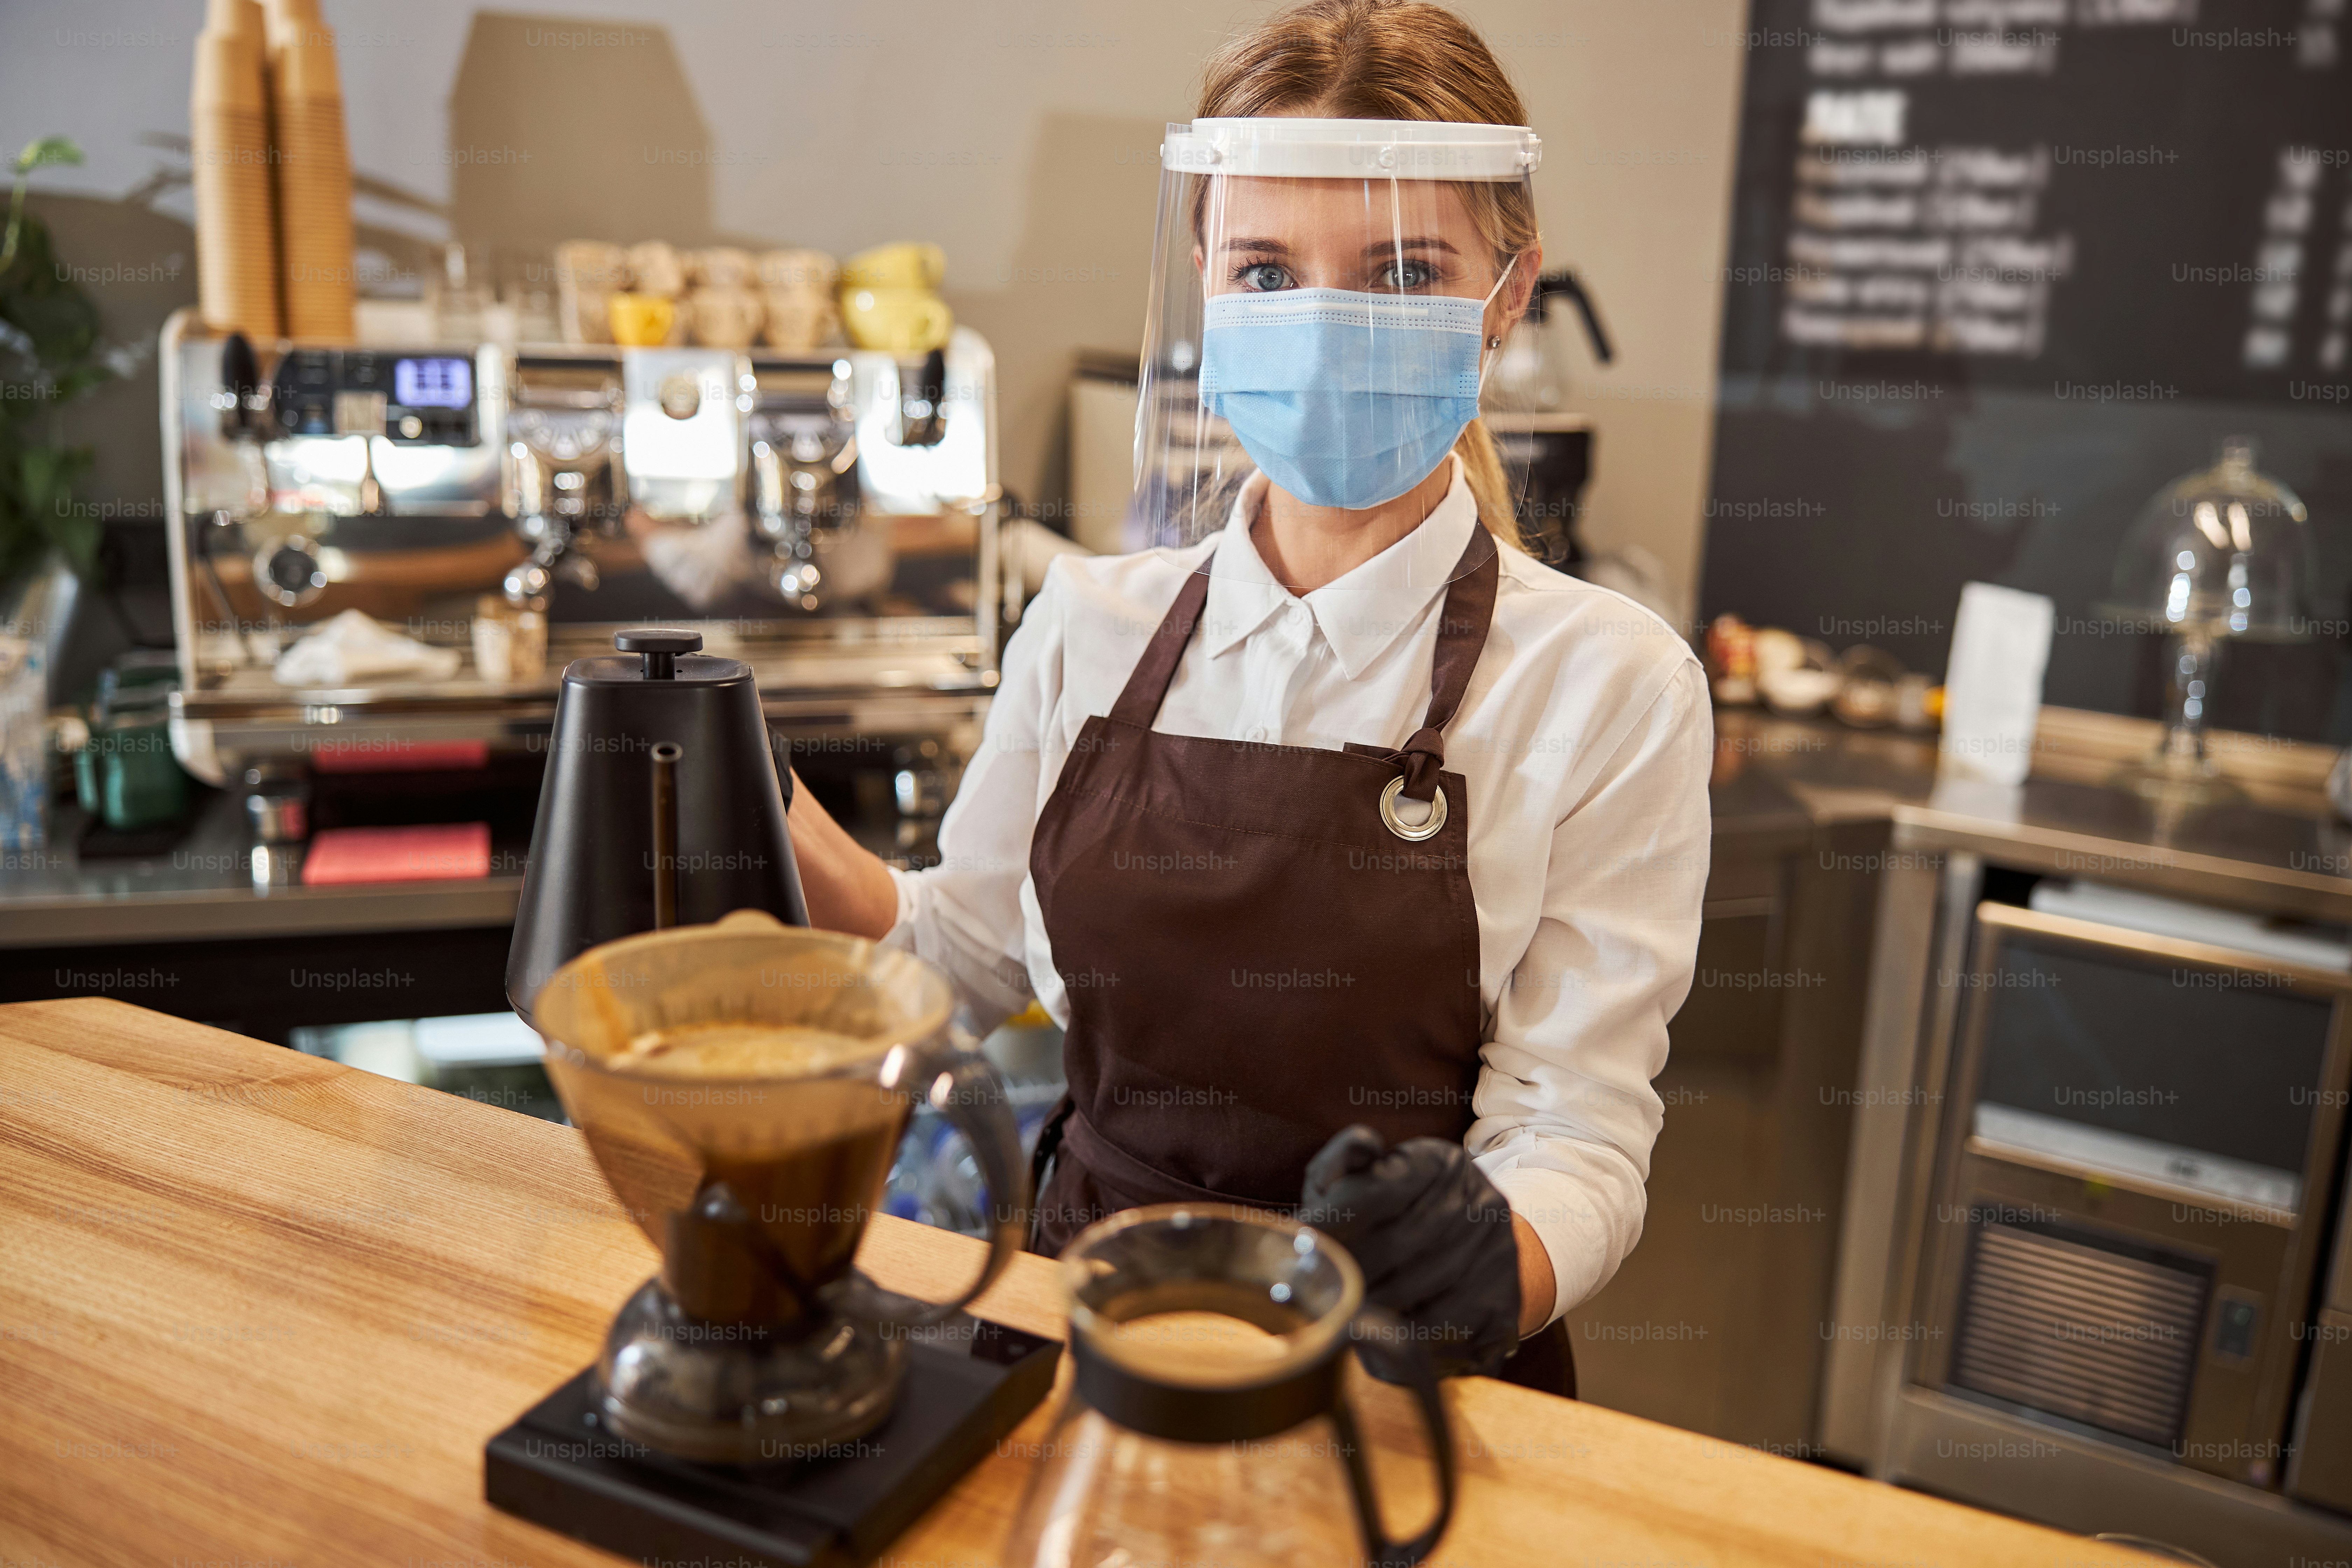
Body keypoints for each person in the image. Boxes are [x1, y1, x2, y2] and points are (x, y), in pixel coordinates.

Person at [785, 0, 1710, 1396]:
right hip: (1082, 1337)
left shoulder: (1611, 682)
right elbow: (957, 958)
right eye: (1268, 271)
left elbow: (1575, 1127)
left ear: (1507, 298)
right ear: (1208, 282)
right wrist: (745, 792)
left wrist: (1484, 1267)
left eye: (1401, 272)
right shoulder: (1090, 626)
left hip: (1401, 1380)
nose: (1328, 328)